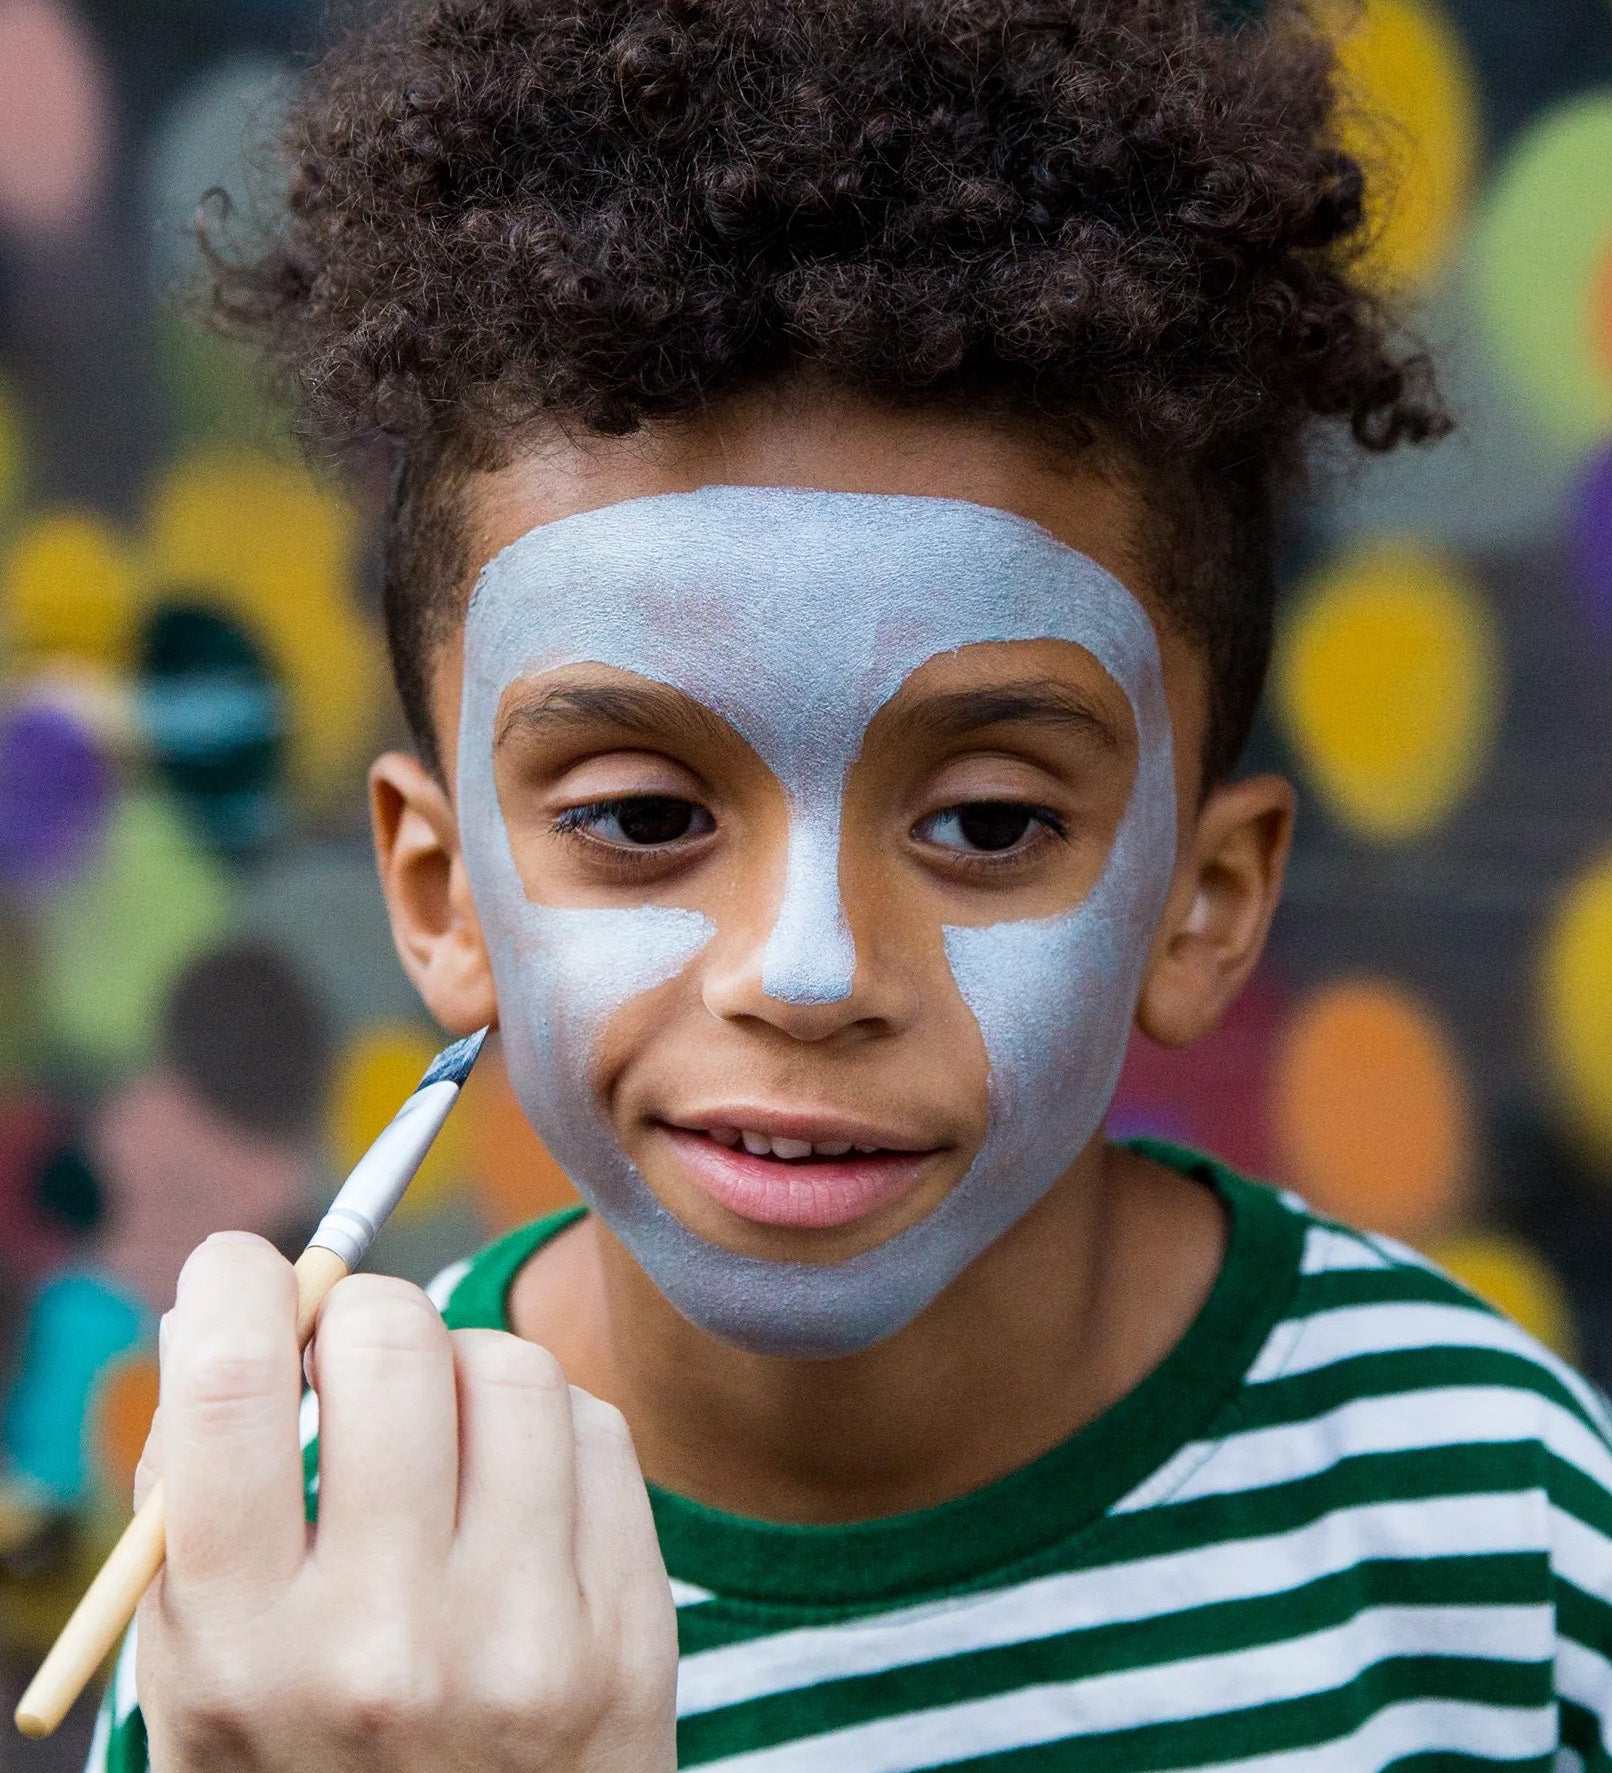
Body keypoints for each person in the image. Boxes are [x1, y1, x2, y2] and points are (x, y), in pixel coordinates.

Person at [90, 1, 1612, 1768]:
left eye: (988, 825)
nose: (807, 968)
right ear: (441, 896)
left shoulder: (1498, 1519)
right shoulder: (301, 1604)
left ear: (1203, 902)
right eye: (641, 814)